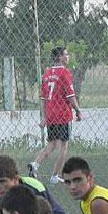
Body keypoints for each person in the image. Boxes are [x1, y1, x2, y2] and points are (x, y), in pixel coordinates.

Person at [29, 46, 82, 184]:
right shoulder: (64, 73)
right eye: (66, 54)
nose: (68, 56)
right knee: (64, 146)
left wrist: (45, 117)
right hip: (63, 114)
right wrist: (77, 110)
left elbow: (45, 98)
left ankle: (35, 164)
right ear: (60, 57)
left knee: (52, 144)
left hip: (51, 114)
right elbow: (70, 95)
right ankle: (55, 176)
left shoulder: (46, 74)